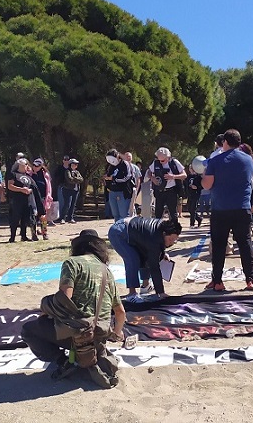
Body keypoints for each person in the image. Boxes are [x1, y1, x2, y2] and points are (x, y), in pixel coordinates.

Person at [20, 229, 124, 389]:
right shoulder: (107, 272)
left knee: (28, 330)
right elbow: (120, 313)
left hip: (78, 333)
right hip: (99, 336)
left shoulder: (72, 264)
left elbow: (64, 299)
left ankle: (63, 360)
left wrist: (46, 309)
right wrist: (116, 334)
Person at [202, 128, 253, 291]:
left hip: (221, 208)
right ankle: (250, 278)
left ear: (225, 142)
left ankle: (218, 281)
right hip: (242, 207)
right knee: (245, 243)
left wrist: (203, 175)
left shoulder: (216, 161)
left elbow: (207, 184)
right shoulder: (248, 160)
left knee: (219, 245)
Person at [108, 217, 182, 302]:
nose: (171, 243)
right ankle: (132, 294)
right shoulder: (153, 236)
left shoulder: (161, 231)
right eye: (170, 239)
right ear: (164, 233)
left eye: (174, 240)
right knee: (133, 259)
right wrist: (161, 292)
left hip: (134, 233)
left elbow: (155, 246)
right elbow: (154, 267)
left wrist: (162, 254)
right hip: (119, 232)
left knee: (146, 256)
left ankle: (145, 286)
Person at [8, 158, 44, 242]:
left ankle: (23, 236)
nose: (26, 166)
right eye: (25, 165)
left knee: (25, 218)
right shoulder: (13, 174)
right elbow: (10, 186)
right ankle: (12, 237)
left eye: (27, 165)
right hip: (17, 200)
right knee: (15, 218)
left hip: (28, 200)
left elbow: (34, 188)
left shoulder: (28, 176)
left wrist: (30, 191)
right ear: (19, 165)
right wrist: (21, 189)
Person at [149, 147, 186, 222]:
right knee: (158, 213)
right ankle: (157, 231)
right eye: (159, 160)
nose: (161, 162)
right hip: (159, 191)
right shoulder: (156, 162)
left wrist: (173, 177)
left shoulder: (174, 162)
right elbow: (149, 172)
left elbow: (184, 175)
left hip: (171, 191)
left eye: (163, 160)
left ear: (168, 157)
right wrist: (152, 178)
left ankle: (174, 231)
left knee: (173, 213)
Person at [104, 149, 135, 221]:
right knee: (115, 214)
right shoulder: (111, 166)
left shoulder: (125, 164)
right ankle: (117, 230)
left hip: (122, 192)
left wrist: (114, 179)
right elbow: (108, 174)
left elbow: (127, 177)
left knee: (123, 214)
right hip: (112, 191)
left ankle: (124, 230)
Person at [31, 158, 51, 239]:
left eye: (37, 166)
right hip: (32, 198)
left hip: (42, 198)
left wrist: (49, 197)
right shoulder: (29, 174)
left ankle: (44, 233)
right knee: (33, 216)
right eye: (34, 165)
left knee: (43, 216)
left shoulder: (45, 175)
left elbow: (49, 187)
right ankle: (33, 234)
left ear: (41, 166)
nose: (35, 167)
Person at [61, 158, 83, 224]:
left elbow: (81, 179)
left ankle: (70, 218)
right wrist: (77, 179)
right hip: (67, 190)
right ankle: (63, 218)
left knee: (73, 204)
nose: (76, 165)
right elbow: (69, 180)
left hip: (75, 190)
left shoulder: (77, 172)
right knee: (67, 204)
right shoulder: (67, 171)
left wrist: (75, 179)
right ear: (70, 164)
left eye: (76, 164)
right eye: (74, 164)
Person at [185, 163, 203, 229]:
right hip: (190, 195)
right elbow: (186, 185)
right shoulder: (188, 177)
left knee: (193, 209)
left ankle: (192, 224)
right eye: (190, 168)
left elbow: (202, 186)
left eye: (192, 168)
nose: (191, 170)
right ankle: (198, 218)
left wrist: (197, 187)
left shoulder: (198, 177)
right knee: (189, 209)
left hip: (196, 194)